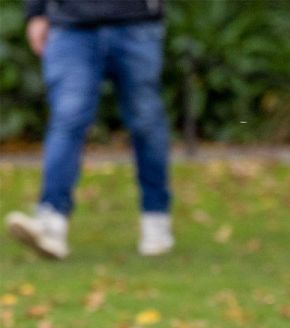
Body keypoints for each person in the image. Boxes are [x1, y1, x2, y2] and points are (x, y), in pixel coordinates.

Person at [5, 0, 173, 259]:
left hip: (137, 22)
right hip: (70, 25)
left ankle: (156, 218)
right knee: (67, 117)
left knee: (146, 122)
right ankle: (51, 221)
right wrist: (36, 13)